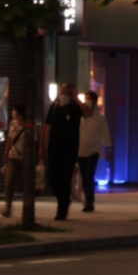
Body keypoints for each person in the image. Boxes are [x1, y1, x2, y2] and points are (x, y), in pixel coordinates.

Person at [44, 84, 84, 221]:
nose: (63, 94)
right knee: (52, 178)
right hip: (53, 149)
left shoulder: (75, 107)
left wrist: (77, 98)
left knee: (65, 179)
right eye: (62, 91)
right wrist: (42, 146)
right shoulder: (54, 107)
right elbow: (46, 126)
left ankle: (61, 211)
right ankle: (64, 199)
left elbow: (88, 113)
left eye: (67, 92)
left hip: (69, 150)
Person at [78, 90, 110, 213]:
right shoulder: (80, 117)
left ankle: (89, 202)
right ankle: (88, 199)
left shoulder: (100, 118)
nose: (87, 101)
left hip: (94, 150)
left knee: (88, 175)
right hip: (81, 150)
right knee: (84, 176)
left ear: (95, 102)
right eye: (85, 98)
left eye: (89, 99)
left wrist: (108, 148)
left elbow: (105, 133)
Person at [1, 106, 32, 217]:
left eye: (16, 114)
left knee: (27, 184)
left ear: (21, 115)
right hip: (12, 157)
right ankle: (7, 206)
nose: (15, 116)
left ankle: (27, 209)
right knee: (9, 182)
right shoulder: (13, 124)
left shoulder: (29, 125)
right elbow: (9, 139)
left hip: (25, 158)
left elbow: (33, 142)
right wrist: (6, 154)